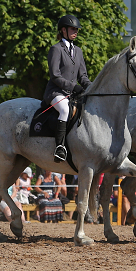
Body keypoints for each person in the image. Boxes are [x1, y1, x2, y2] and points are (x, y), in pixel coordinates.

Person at [44, 15, 92, 163]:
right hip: (56, 92)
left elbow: (82, 75)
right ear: (63, 30)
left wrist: (92, 87)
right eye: (73, 29)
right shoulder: (56, 49)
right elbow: (55, 75)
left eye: (77, 29)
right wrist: (73, 87)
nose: (75, 31)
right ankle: (59, 147)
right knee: (64, 110)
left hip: (72, 94)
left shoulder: (78, 51)